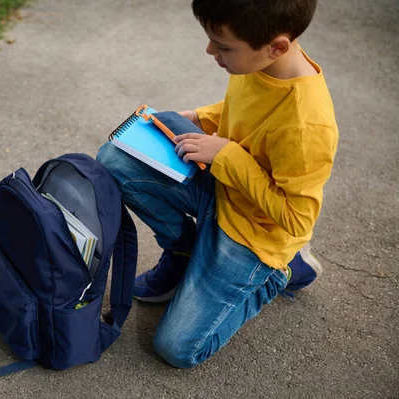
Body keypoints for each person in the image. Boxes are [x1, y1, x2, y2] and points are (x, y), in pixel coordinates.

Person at [96, 0, 338, 368]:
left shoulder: (308, 126)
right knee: (114, 158)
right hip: (222, 182)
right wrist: (198, 118)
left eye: (222, 46)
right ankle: (184, 251)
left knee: (176, 348)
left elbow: (297, 218)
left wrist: (227, 156)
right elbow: (242, 111)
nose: (210, 51)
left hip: (254, 235)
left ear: (277, 46)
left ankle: (281, 272)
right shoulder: (261, 59)